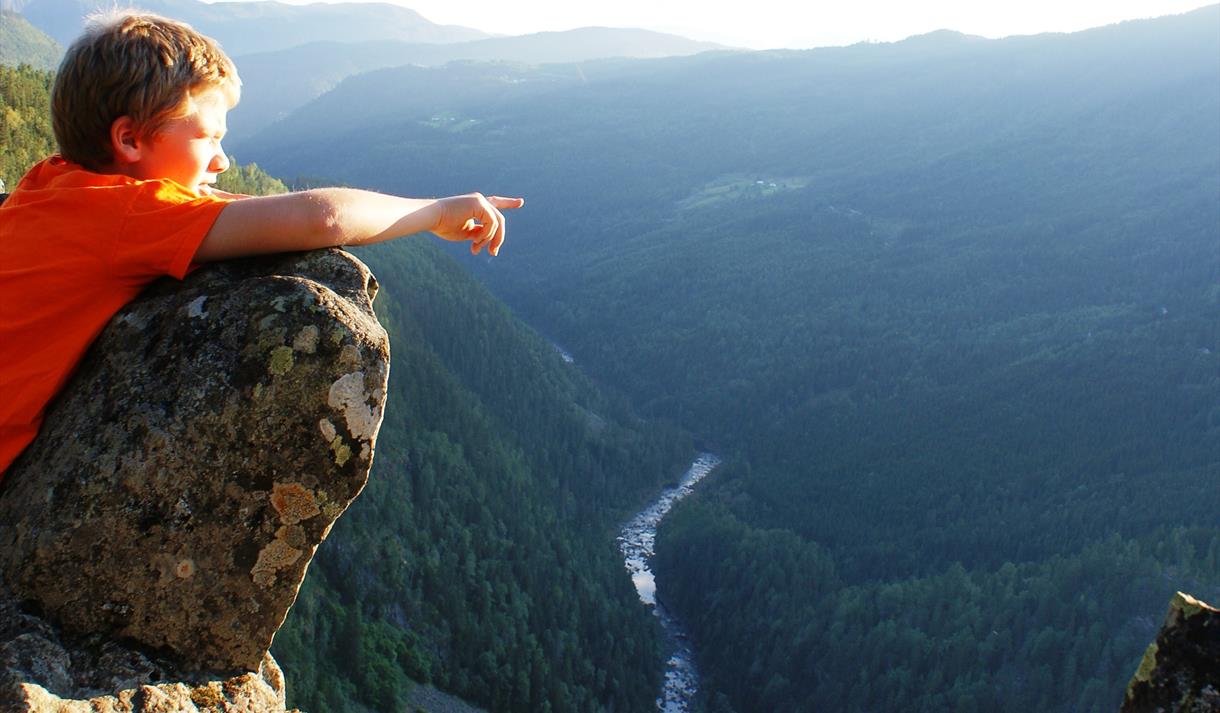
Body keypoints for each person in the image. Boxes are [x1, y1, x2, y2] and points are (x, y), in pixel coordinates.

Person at [0, 12, 523, 477]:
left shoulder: (52, 184)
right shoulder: (127, 215)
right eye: (208, 137)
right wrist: (435, 213)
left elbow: (230, 206)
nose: (222, 159)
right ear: (130, 140)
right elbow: (322, 218)